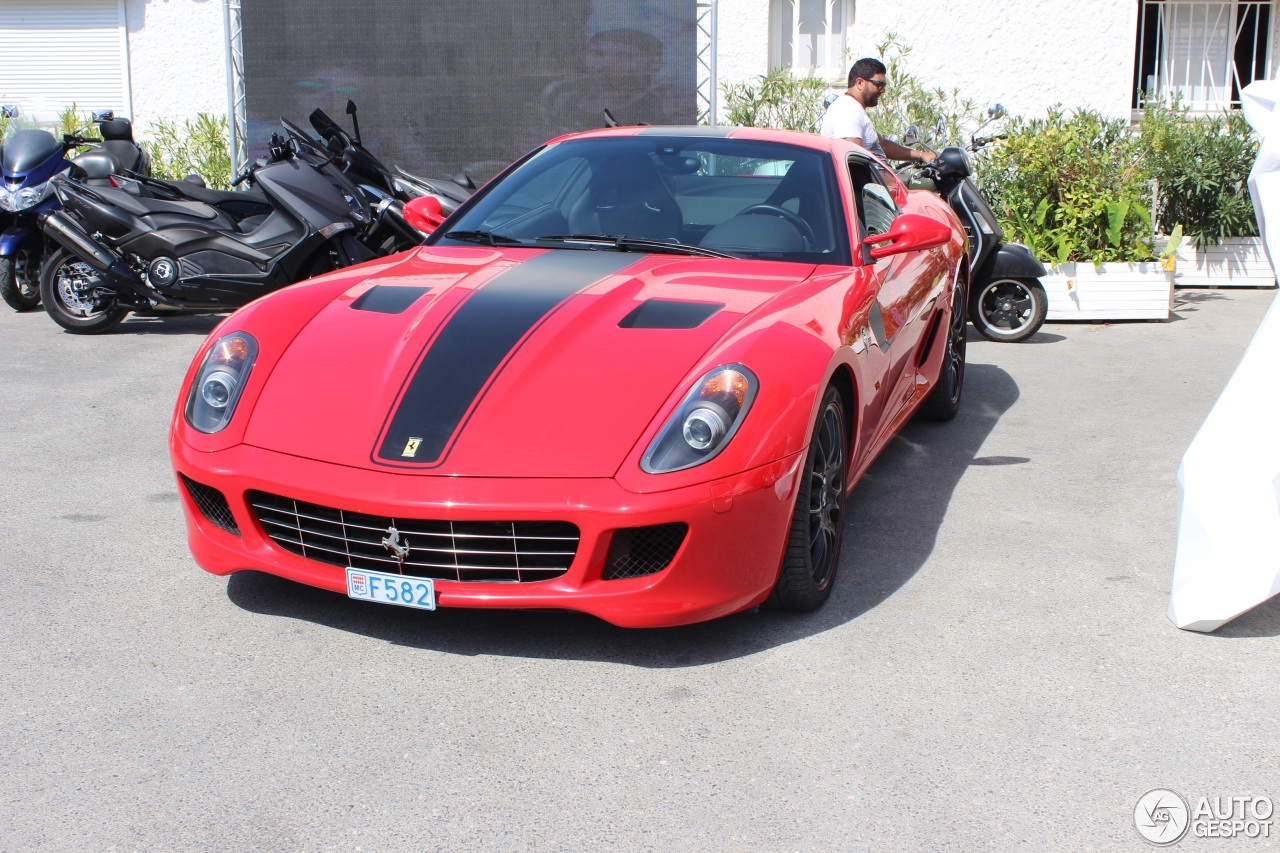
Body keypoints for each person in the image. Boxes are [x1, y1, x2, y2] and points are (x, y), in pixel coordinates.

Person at [820, 57, 935, 164]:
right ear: (860, 83)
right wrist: (893, 184)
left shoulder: (854, 108)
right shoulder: (847, 110)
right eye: (879, 84)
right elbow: (854, 159)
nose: (883, 90)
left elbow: (883, 145)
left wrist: (922, 154)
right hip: (873, 185)